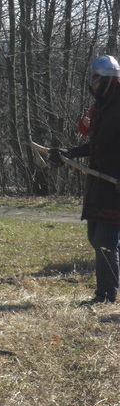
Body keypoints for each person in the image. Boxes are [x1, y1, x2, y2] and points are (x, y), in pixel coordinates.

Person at [50, 54, 120, 306]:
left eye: (97, 80)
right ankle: (108, 288)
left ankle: (106, 296)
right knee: (95, 238)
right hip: (101, 184)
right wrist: (69, 153)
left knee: (105, 243)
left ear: (110, 80)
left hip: (116, 186)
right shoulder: (101, 107)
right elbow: (96, 144)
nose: (92, 86)